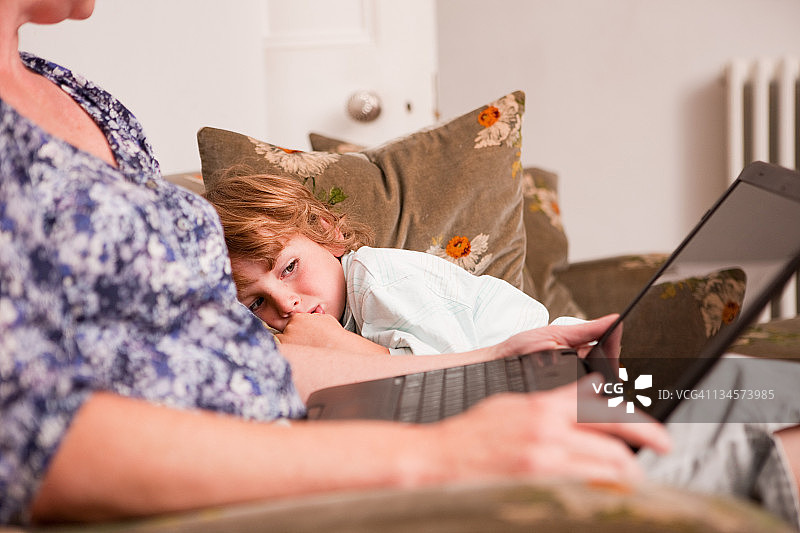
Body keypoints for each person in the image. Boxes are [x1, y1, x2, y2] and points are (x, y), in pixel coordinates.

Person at [1, 2, 799, 529]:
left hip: (421, 384)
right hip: (272, 463)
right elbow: (31, 430)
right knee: (691, 424)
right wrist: (444, 451)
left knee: (708, 391)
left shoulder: (77, 97)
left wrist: (485, 359)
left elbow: (226, 347)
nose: (283, 303)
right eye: (263, 294)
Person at [203, 170, 582, 356]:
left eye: (289, 268)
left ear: (327, 232)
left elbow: (447, 373)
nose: (286, 305)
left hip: (561, 360)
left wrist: (339, 347)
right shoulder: (333, 318)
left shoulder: (376, 283)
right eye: (256, 303)